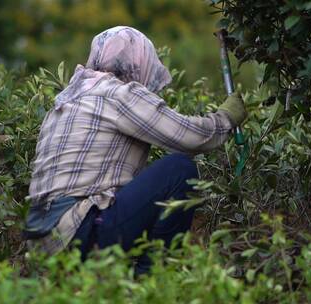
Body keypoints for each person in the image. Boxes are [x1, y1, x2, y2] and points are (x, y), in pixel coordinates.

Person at [23, 26, 246, 274]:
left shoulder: (66, 101)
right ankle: (152, 280)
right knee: (178, 169)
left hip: (41, 243)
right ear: (140, 61)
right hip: (79, 231)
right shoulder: (118, 93)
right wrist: (225, 118)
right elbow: (190, 138)